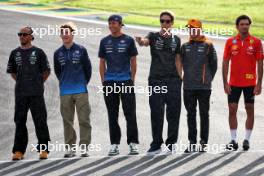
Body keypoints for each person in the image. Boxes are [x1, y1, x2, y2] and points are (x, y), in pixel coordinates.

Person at [136, 11, 182, 154]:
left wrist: (181, 77)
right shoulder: (153, 36)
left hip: (173, 81)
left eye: (167, 21)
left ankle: (171, 144)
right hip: (156, 80)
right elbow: (145, 42)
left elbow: (178, 59)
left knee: (173, 113)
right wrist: (140, 41)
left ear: (172, 23)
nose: (164, 24)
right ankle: (156, 144)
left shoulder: (177, 40)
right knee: (157, 112)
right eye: (162, 21)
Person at [7, 27, 51, 160]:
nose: (22, 36)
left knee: (40, 121)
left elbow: (46, 71)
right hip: (21, 93)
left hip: (36, 93)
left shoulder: (39, 52)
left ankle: (43, 150)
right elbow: (13, 72)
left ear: (31, 36)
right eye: (20, 34)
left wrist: (37, 83)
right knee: (19, 121)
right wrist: (22, 82)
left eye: (25, 34)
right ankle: (19, 151)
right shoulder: (14, 53)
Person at [99, 15, 139, 156]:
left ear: (120, 24)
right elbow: (102, 63)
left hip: (126, 81)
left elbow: (133, 61)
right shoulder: (104, 41)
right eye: (109, 23)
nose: (111, 25)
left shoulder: (128, 40)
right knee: (112, 114)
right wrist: (104, 82)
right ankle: (114, 144)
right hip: (110, 82)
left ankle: (133, 143)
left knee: (130, 113)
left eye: (114, 23)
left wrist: (131, 79)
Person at [222, 15, 263, 151]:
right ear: (237, 26)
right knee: (232, 109)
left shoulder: (257, 42)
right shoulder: (230, 41)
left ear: (249, 25)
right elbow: (225, 62)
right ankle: (233, 140)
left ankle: (247, 139)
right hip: (233, 83)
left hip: (250, 83)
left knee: (249, 109)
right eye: (242, 24)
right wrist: (225, 82)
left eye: (247, 24)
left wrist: (258, 83)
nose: (245, 26)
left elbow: (260, 64)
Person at [54, 22, 92, 157]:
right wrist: (65, 83)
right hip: (65, 92)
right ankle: (70, 149)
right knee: (67, 121)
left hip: (81, 90)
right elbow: (58, 72)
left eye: (67, 32)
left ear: (72, 34)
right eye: (62, 33)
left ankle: (84, 148)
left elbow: (88, 69)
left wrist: (83, 83)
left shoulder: (81, 49)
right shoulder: (57, 53)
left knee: (84, 120)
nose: (65, 35)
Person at [181, 19, 217, 153]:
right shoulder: (185, 46)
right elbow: (180, 63)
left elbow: (214, 65)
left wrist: (207, 79)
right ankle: (191, 142)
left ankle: (203, 142)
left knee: (204, 114)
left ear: (200, 29)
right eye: (190, 28)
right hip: (188, 86)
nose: (192, 31)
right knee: (190, 114)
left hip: (204, 88)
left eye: (194, 28)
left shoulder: (208, 45)